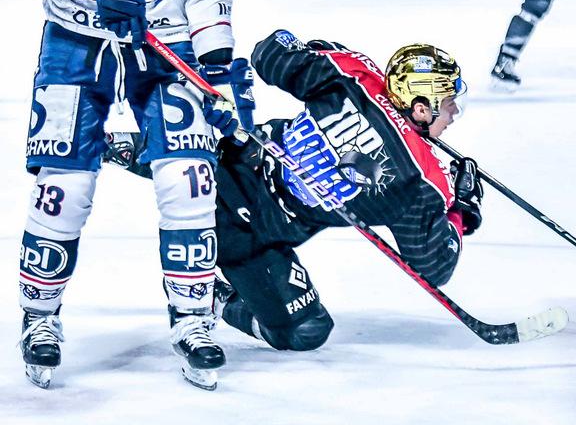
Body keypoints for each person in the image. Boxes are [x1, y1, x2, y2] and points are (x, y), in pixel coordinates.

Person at [14, 0, 245, 390]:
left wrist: (215, 55)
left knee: (189, 179)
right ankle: (39, 316)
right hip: (76, 38)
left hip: (166, 41)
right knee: (65, 186)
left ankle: (193, 318)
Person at [102, 30, 484, 353]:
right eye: (450, 104)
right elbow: (434, 266)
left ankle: (127, 147)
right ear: (421, 108)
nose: (454, 114)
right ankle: (217, 297)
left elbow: (268, 53)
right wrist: (459, 210)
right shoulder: (422, 180)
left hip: (236, 157)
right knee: (305, 331)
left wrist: (319, 49)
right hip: (250, 238)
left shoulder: (355, 76)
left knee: (205, 151)